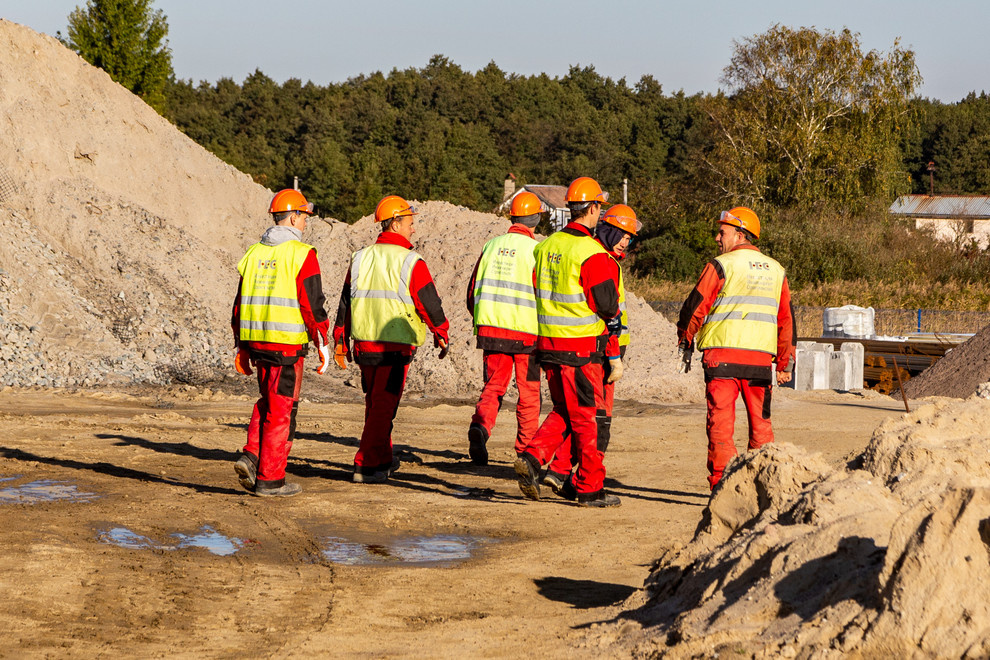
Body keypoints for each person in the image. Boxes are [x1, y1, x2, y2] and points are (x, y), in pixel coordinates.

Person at [513, 177, 623, 508]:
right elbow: (606, 304)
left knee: (564, 410)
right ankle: (590, 487)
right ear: (592, 209)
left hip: (548, 346)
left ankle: (532, 459)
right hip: (581, 349)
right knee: (587, 417)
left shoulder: (545, 247)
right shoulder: (591, 252)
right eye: (599, 207)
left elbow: (537, 287)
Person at [676, 206, 795, 490]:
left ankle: (722, 488)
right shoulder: (777, 270)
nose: (717, 238)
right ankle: (763, 486)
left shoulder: (721, 265)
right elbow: (786, 319)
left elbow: (695, 307)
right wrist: (783, 363)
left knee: (720, 426)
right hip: (759, 365)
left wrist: (685, 340)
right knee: (761, 426)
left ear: (740, 234)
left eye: (722, 232)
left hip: (721, 361)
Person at [333, 195, 450, 483]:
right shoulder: (410, 260)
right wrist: (441, 330)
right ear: (395, 223)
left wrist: (340, 337)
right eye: (410, 223)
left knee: (375, 404)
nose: (413, 229)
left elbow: (345, 301)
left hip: (363, 344)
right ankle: (365, 465)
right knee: (383, 408)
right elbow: (428, 301)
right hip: (393, 346)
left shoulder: (360, 258)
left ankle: (383, 458)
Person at [231, 188, 331, 497]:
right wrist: (323, 342)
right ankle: (271, 479)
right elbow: (312, 305)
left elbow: (239, 304)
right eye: (303, 216)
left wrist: (242, 345)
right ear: (292, 217)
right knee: (282, 410)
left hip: (258, 343)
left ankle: (252, 455)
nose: (305, 223)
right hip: (286, 347)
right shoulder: (302, 254)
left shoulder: (254, 253)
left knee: (268, 402)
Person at [543, 204, 640, 498]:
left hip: (586, 347)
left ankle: (558, 470)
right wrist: (612, 356)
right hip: (595, 350)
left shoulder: (604, 257)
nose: (626, 241)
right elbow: (607, 315)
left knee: (580, 416)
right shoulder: (597, 258)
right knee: (596, 421)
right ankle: (583, 481)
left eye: (630, 238)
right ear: (607, 229)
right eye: (623, 234)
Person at [465, 191, 542, 466]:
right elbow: (542, 294)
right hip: (526, 335)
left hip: (491, 331)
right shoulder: (536, 251)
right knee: (529, 392)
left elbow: (472, 292)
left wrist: (485, 318)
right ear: (536, 220)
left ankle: (481, 427)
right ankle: (525, 451)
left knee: (493, 386)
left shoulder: (491, 245)